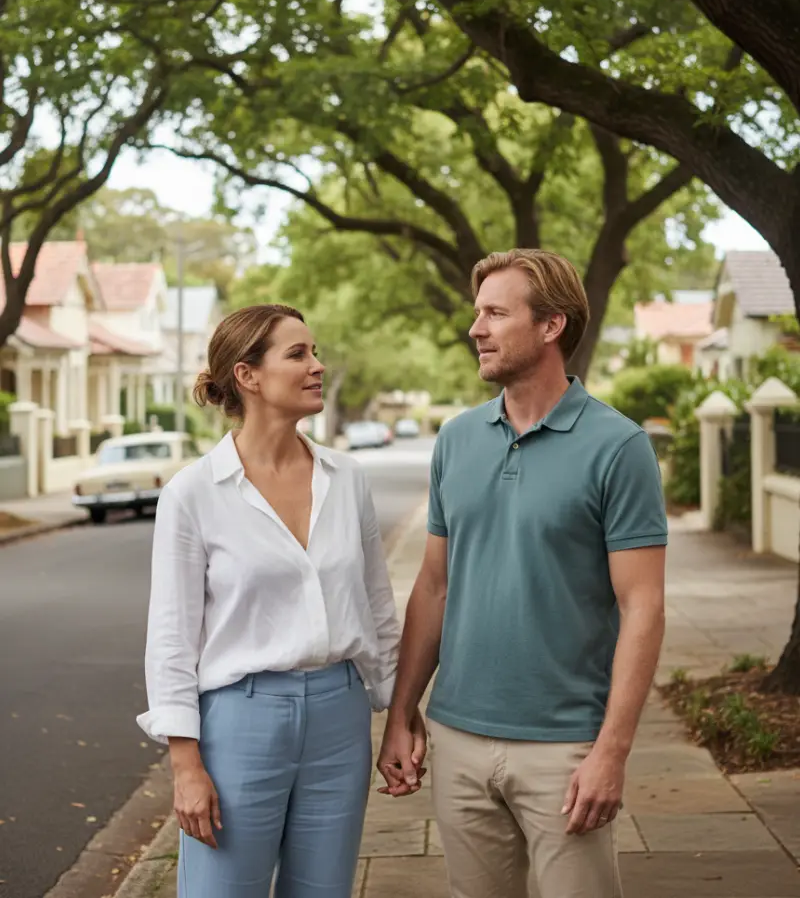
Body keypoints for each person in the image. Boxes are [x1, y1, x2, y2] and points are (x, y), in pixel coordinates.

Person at [377, 249, 668, 898]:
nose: (474, 328)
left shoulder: (617, 447)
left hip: (565, 747)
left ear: (551, 325)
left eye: (495, 314)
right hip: (457, 737)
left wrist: (612, 752)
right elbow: (433, 586)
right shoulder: (456, 440)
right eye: (477, 313)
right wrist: (403, 713)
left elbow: (643, 605)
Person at [137, 303, 411, 898]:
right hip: (240, 721)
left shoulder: (347, 479)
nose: (317, 365)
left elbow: (377, 609)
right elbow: (171, 638)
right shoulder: (193, 494)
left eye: (314, 352)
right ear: (248, 376)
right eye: (298, 354)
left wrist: (398, 718)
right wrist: (186, 765)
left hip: (340, 717)